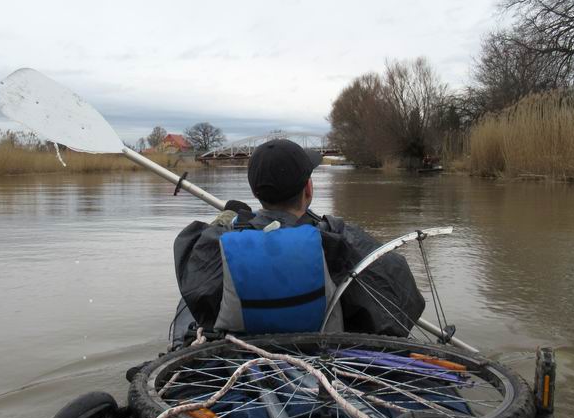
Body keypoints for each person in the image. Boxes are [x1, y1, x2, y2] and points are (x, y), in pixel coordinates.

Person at [172, 139, 425, 343]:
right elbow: (403, 299)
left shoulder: (220, 243)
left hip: (244, 358)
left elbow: (195, 288)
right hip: (327, 360)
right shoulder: (337, 238)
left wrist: (225, 221)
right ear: (308, 189)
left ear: (255, 192)